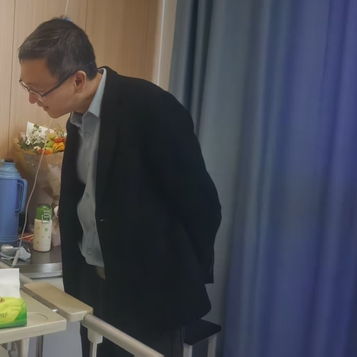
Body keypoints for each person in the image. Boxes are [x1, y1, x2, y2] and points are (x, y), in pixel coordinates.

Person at [17, 18, 221, 357]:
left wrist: (177, 275)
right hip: (95, 292)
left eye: (39, 90)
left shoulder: (151, 109)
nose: (32, 99)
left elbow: (202, 206)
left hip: (150, 300)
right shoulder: (78, 119)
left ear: (77, 79)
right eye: (27, 87)